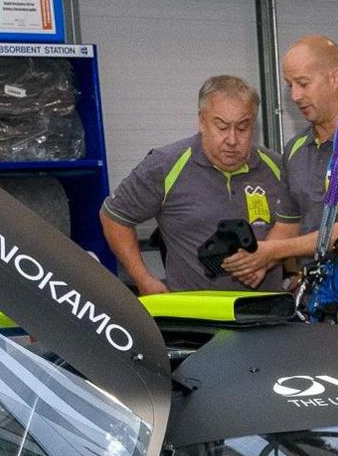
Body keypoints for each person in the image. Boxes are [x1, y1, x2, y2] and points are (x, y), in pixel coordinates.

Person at [221, 34, 338, 288]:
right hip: (316, 296)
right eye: (290, 86)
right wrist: (258, 261)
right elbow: (288, 225)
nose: (295, 96)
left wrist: (271, 251)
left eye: (303, 84)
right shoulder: (295, 149)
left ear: (334, 78)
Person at [101, 75, 298, 295]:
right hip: (196, 318)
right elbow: (114, 217)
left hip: (266, 314)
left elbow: (292, 223)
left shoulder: (277, 167)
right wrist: (143, 278)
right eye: (221, 126)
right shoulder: (165, 165)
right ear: (202, 122)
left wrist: (266, 260)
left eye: (243, 128)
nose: (232, 140)